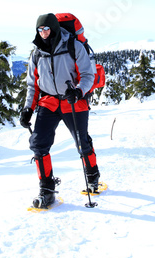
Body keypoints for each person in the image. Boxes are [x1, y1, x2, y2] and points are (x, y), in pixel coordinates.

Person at [20, 13, 100, 208]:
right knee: (38, 144)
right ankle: (46, 190)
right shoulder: (37, 53)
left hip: (73, 101)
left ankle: (92, 175)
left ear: (54, 29)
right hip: (48, 102)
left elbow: (88, 75)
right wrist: (28, 109)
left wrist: (79, 91)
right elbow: (33, 85)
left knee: (82, 143)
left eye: (47, 29)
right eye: (40, 30)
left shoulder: (74, 46)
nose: (44, 33)